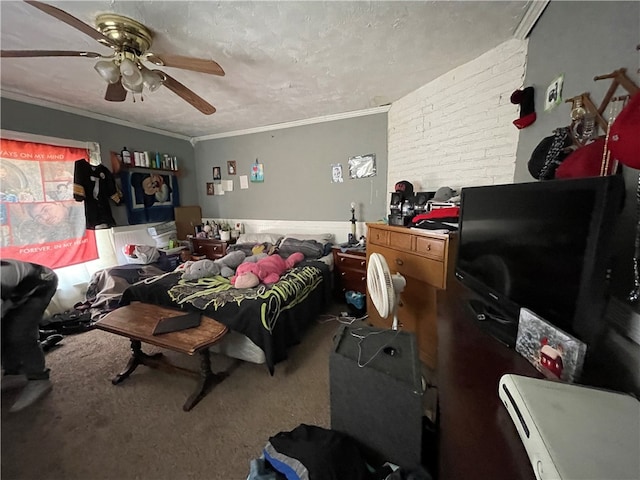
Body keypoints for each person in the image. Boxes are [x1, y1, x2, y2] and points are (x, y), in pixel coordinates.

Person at [1, 259, 58, 412]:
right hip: (15, 290)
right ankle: (14, 373)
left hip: (43, 283)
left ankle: (39, 379)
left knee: (19, 334)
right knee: (6, 331)